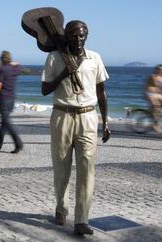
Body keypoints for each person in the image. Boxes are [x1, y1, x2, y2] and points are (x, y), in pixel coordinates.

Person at [41, 20, 111, 236]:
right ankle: (61, 207)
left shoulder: (95, 58)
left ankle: (81, 220)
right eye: (74, 35)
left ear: (87, 36)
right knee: (61, 168)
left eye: (82, 35)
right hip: (62, 115)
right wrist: (64, 73)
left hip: (88, 117)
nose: (78, 39)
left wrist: (106, 121)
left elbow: (101, 91)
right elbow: (44, 89)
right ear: (67, 36)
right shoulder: (54, 57)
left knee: (87, 169)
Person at [0, 51, 23, 154]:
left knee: (7, 122)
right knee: (4, 121)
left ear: (1, 59)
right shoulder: (15, 68)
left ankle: (18, 143)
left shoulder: (2, 70)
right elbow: (18, 64)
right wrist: (11, 63)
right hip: (12, 99)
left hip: (4, 99)